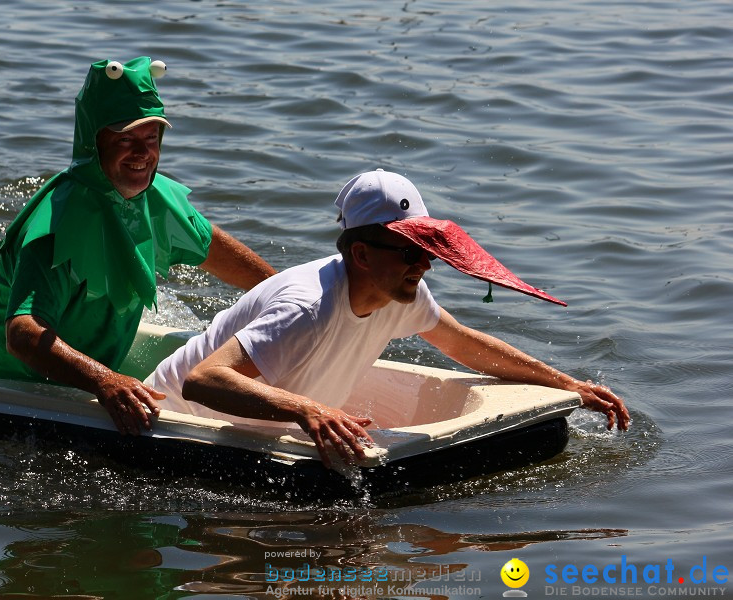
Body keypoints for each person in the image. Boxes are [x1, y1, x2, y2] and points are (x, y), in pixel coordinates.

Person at [148, 169, 630, 468]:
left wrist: (566, 385)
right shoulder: (307, 308)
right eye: (407, 251)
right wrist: (310, 410)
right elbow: (203, 379)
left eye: (426, 249)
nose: (422, 263)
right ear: (360, 253)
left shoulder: (404, 292)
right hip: (169, 427)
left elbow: (461, 344)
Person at [0, 57, 275, 435]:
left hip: (82, 386)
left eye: (151, 138)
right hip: (0, 389)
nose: (142, 153)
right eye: (125, 139)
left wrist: (300, 301)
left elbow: (231, 263)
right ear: (95, 142)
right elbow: (23, 335)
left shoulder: (159, 200)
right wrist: (106, 381)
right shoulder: (57, 224)